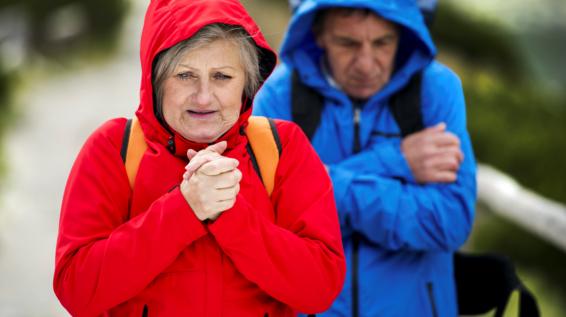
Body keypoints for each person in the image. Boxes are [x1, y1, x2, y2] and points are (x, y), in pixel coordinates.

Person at [53, 0, 346, 316]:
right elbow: (77, 290)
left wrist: (229, 215)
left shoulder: (280, 147)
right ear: (155, 80)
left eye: (222, 76)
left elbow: (319, 289)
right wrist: (184, 208)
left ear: (246, 84)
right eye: (184, 75)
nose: (204, 96)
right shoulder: (114, 148)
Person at [253, 0, 477, 316]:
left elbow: (448, 222)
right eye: (347, 43)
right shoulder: (278, 95)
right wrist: (394, 161)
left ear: (403, 32)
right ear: (317, 34)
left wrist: (312, 188)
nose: (366, 64)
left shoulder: (436, 89)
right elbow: (266, 221)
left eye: (383, 42)